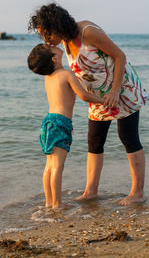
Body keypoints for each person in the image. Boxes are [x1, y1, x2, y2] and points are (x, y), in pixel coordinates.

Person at [28, 3, 149, 205]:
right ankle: (90, 192)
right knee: (94, 140)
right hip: (98, 97)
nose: (46, 39)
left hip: (122, 90)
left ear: (57, 25)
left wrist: (115, 90)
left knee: (128, 137)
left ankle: (137, 193)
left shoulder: (88, 32)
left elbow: (120, 56)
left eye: (46, 33)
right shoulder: (65, 41)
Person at [27, 44, 104, 209]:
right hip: (61, 123)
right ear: (54, 58)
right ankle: (57, 204)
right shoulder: (66, 74)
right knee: (58, 166)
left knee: (49, 165)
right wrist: (103, 100)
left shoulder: (49, 78)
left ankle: (49, 203)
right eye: (50, 47)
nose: (53, 45)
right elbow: (83, 95)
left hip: (48, 121)